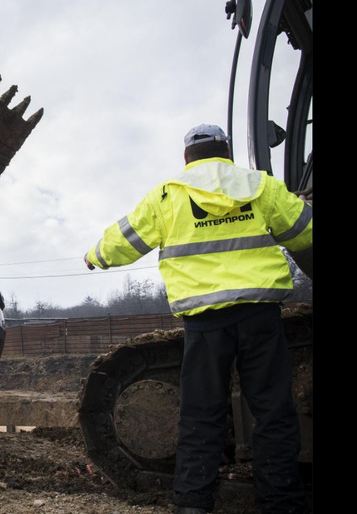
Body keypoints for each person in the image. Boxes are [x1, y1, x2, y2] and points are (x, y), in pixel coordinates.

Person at [83, 124, 312, 514]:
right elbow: (304, 232)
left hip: (206, 323)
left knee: (201, 414)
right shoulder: (261, 185)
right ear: (226, 152)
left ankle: (192, 503)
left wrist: (96, 256)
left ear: (187, 158)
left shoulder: (168, 194)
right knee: (273, 411)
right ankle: (280, 501)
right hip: (260, 315)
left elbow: (126, 238)